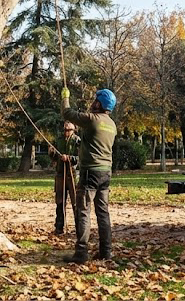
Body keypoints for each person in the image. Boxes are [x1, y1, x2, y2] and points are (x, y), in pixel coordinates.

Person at [60, 87, 117, 263]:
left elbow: (67, 113)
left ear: (100, 103)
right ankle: (106, 251)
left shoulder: (92, 119)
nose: (92, 103)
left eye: (95, 100)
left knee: (83, 211)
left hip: (90, 172)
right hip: (105, 172)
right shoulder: (112, 124)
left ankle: (81, 253)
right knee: (103, 212)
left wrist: (65, 98)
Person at [49, 121, 81, 235]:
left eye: (68, 130)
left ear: (74, 130)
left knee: (76, 203)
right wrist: (51, 152)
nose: (66, 132)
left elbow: (81, 158)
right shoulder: (58, 140)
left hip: (73, 175)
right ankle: (59, 228)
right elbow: (53, 158)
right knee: (60, 203)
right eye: (65, 130)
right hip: (60, 175)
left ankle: (79, 229)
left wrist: (69, 158)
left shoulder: (78, 141)